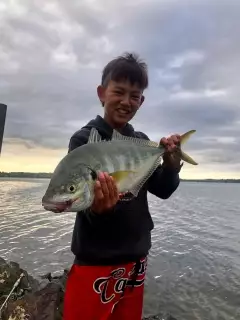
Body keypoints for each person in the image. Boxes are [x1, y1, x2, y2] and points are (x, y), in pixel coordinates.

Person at [63, 52, 182, 320]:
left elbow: (162, 189)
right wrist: (99, 209)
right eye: (119, 91)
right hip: (96, 260)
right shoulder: (83, 140)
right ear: (102, 93)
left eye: (135, 96)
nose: (127, 101)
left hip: (136, 257)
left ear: (142, 101)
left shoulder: (142, 142)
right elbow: (82, 200)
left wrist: (172, 165)